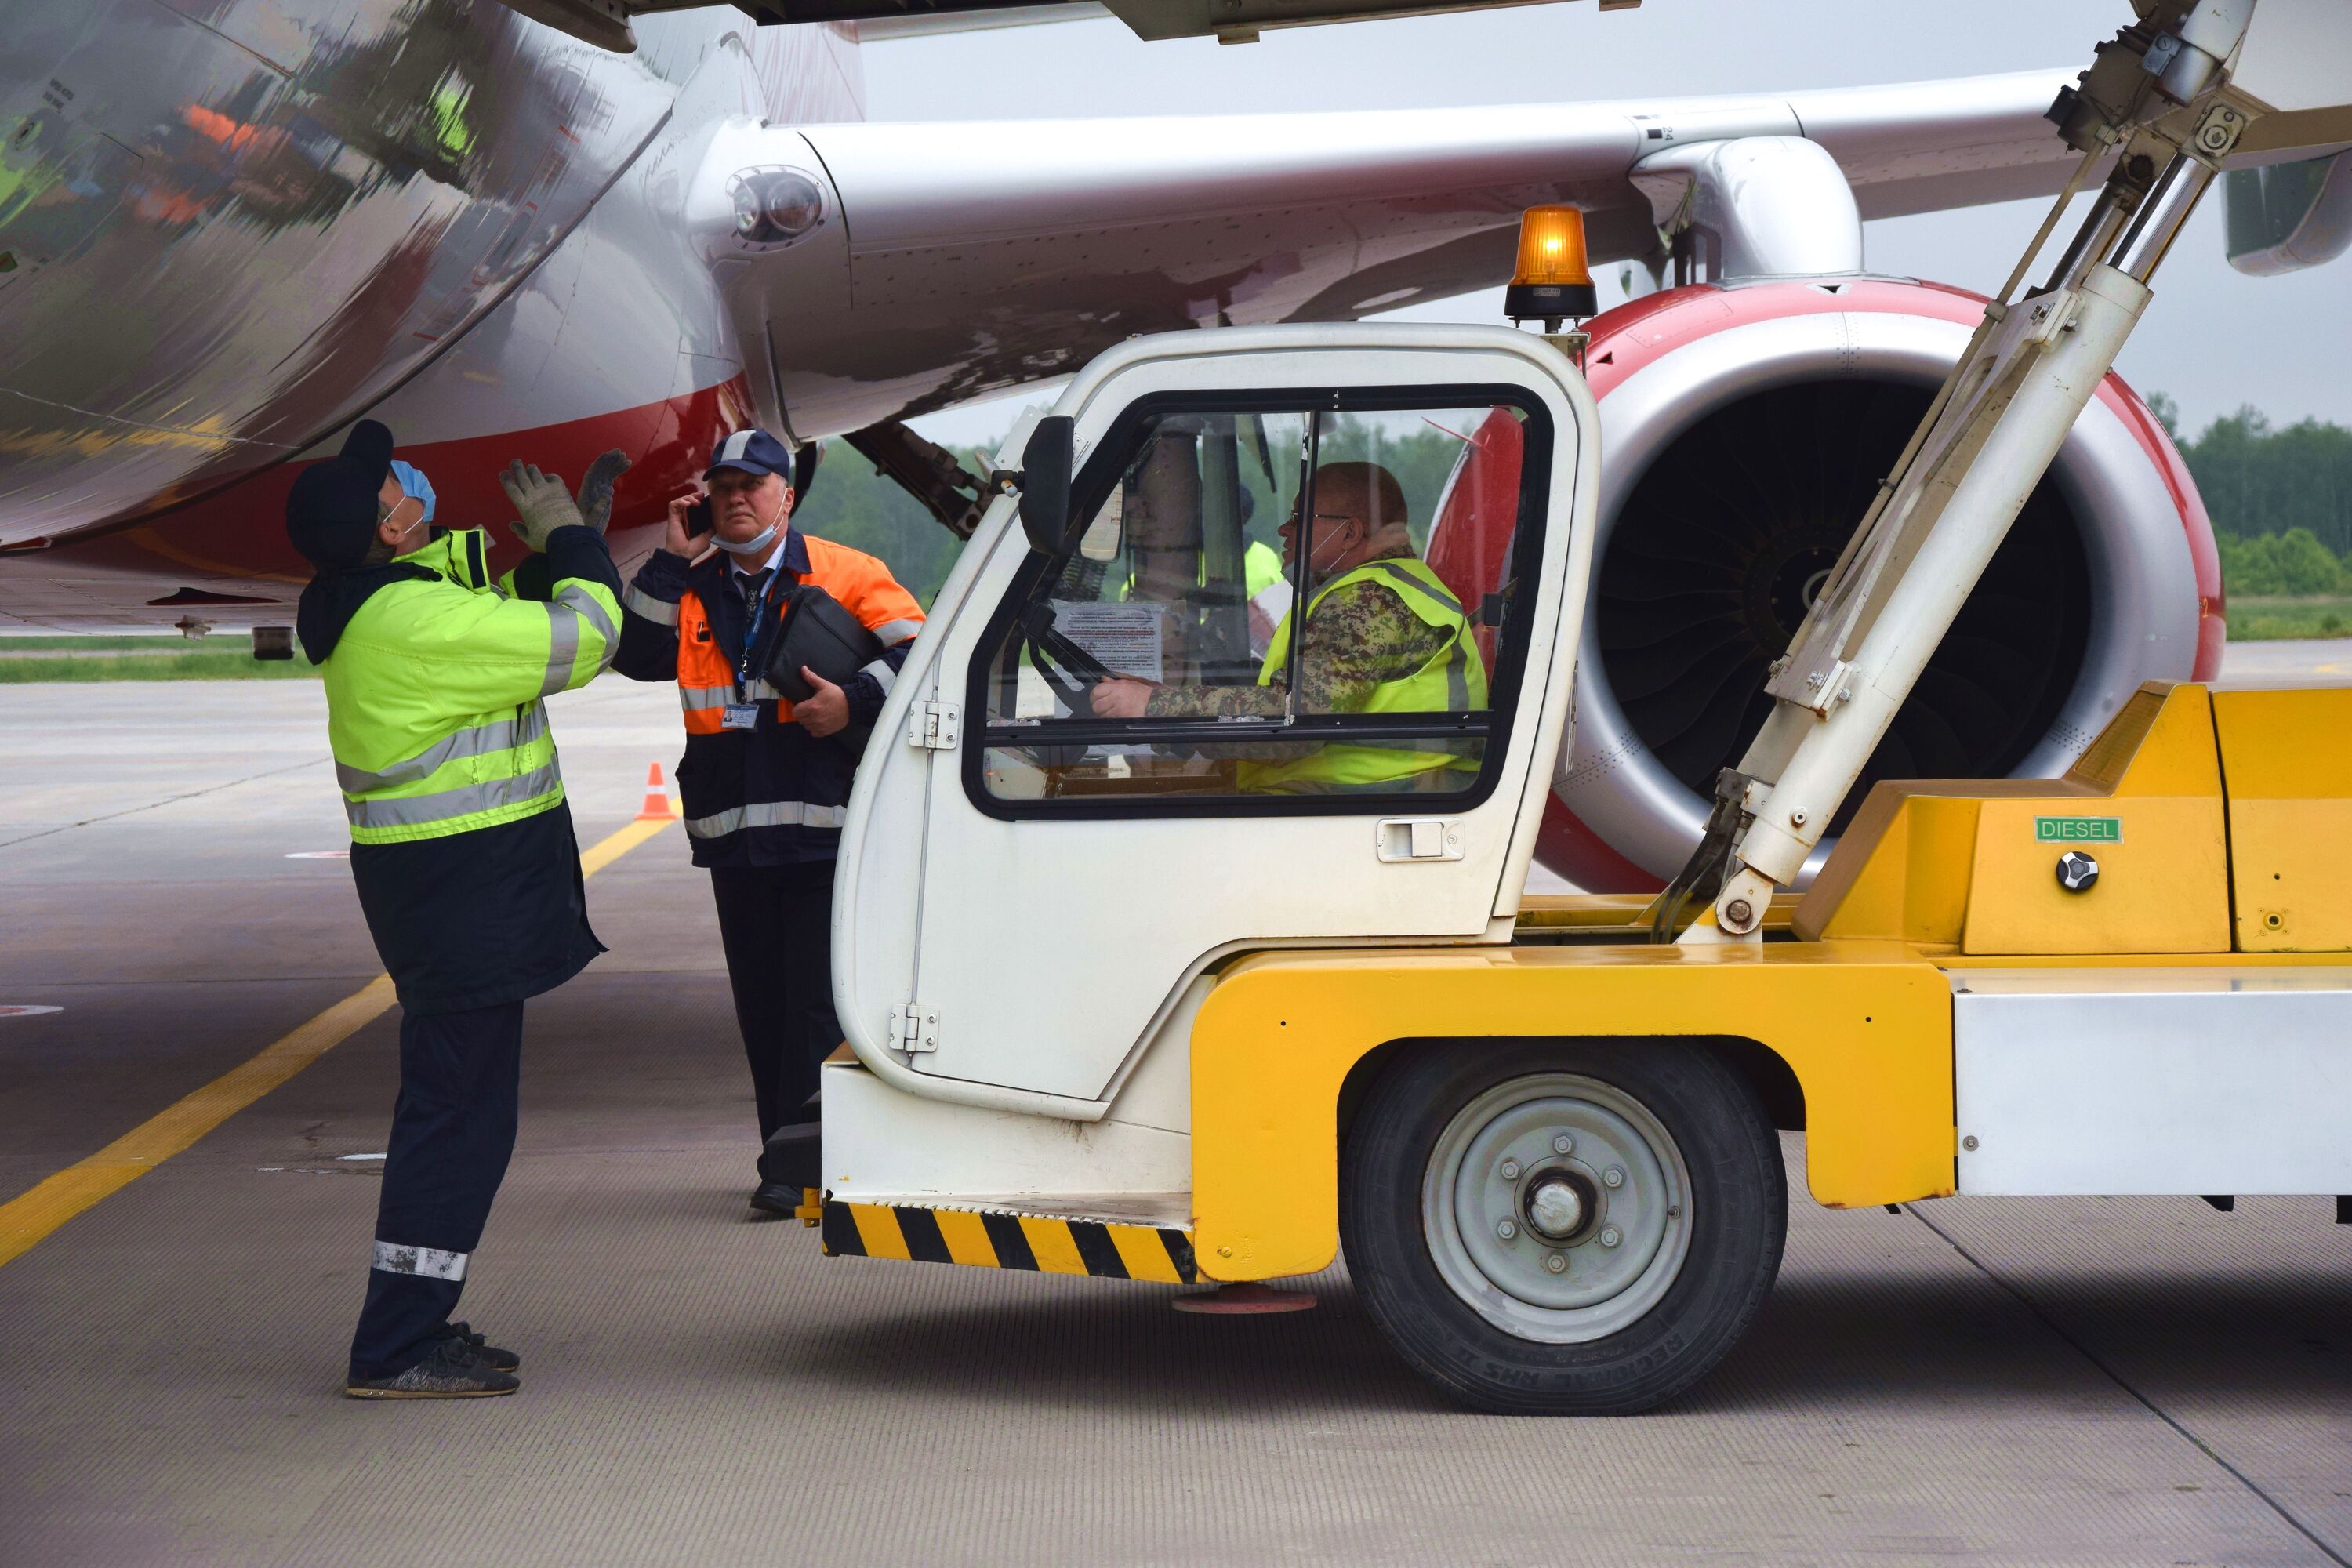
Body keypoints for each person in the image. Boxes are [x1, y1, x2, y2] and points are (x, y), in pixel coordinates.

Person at [286, 419, 626, 1399]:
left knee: (462, 1111)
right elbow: (591, 634)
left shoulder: (383, 605)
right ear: (391, 530)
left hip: (444, 892)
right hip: (461, 897)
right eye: (394, 487)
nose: (409, 485)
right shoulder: (411, 624)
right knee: (457, 1119)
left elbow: (480, 598)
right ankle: (396, 1342)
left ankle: (417, 1321)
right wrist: (571, 541)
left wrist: (568, 542)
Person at [612, 428, 925, 1218]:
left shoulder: (848, 572)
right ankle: (789, 1155)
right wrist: (666, 558)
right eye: (722, 487)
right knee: (762, 1004)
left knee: (817, 1003)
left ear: (787, 496)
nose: (736, 499)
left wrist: (850, 702)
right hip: (733, 833)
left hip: (826, 828)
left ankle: (801, 1165)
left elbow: (923, 652)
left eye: (753, 485)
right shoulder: (692, 580)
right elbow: (638, 654)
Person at [1091, 460, 1486, 793]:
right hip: (1379, 793)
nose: (1284, 529)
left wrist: (1154, 707)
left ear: (1349, 532)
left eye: (1299, 518)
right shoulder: (1386, 587)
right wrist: (1165, 702)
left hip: (1373, 797)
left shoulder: (1366, 600)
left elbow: (1293, 721)